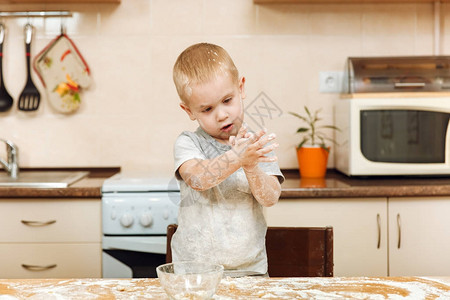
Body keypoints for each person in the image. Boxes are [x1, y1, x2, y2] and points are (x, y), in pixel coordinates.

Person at [171, 42, 284, 277]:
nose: (221, 114)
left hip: (250, 271)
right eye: (207, 109)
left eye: (227, 100)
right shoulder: (189, 143)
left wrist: (251, 166)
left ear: (240, 88)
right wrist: (237, 158)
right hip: (193, 272)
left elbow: (270, 197)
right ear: (189, 111)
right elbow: (198, 178)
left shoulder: (256, 144)